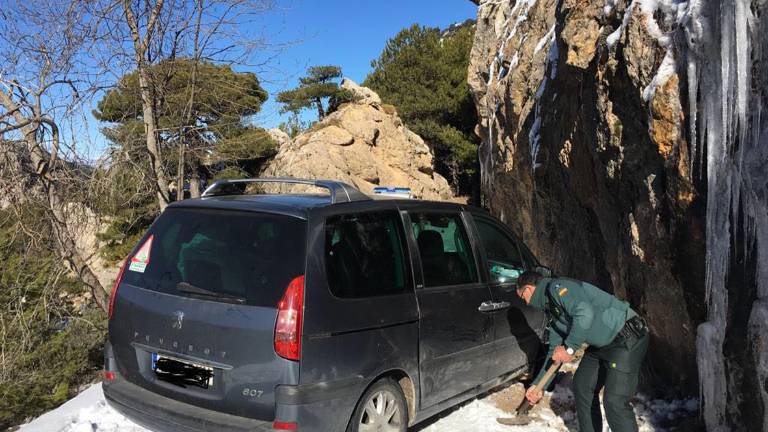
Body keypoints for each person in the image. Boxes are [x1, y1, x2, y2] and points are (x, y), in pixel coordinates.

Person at [516, 270, 649, 432]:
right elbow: (554, 354)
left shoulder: (558, 288)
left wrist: (570, 348)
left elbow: (585, 312)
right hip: (601, 344)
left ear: (529, 289)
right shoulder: (551, 310)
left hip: (625, 338)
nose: (527, 303)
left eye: (523, 297)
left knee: (614, 402)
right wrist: (538, 385)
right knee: (583, 387)